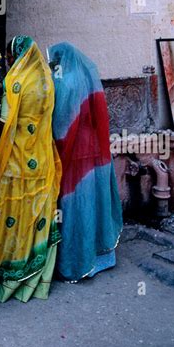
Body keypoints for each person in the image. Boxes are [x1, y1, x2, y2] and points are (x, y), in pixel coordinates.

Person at [0, 36, 62, 302]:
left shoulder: (15, 81)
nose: (9, 61)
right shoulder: (47, 80)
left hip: (17, 160)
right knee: (37, 214)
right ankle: (36, 278)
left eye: (9, 56)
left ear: (16, 55)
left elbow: (6, 122)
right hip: (42, 158)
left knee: (12, 214)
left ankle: (9, 272)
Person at [47, 42, 123, 282]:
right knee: (96, 204)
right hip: (95, 152)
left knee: (75, 208)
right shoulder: (86, 76)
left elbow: (60, 125)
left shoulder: (64, 82)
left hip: (75, 155)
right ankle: (103, 258)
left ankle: (77, 260)